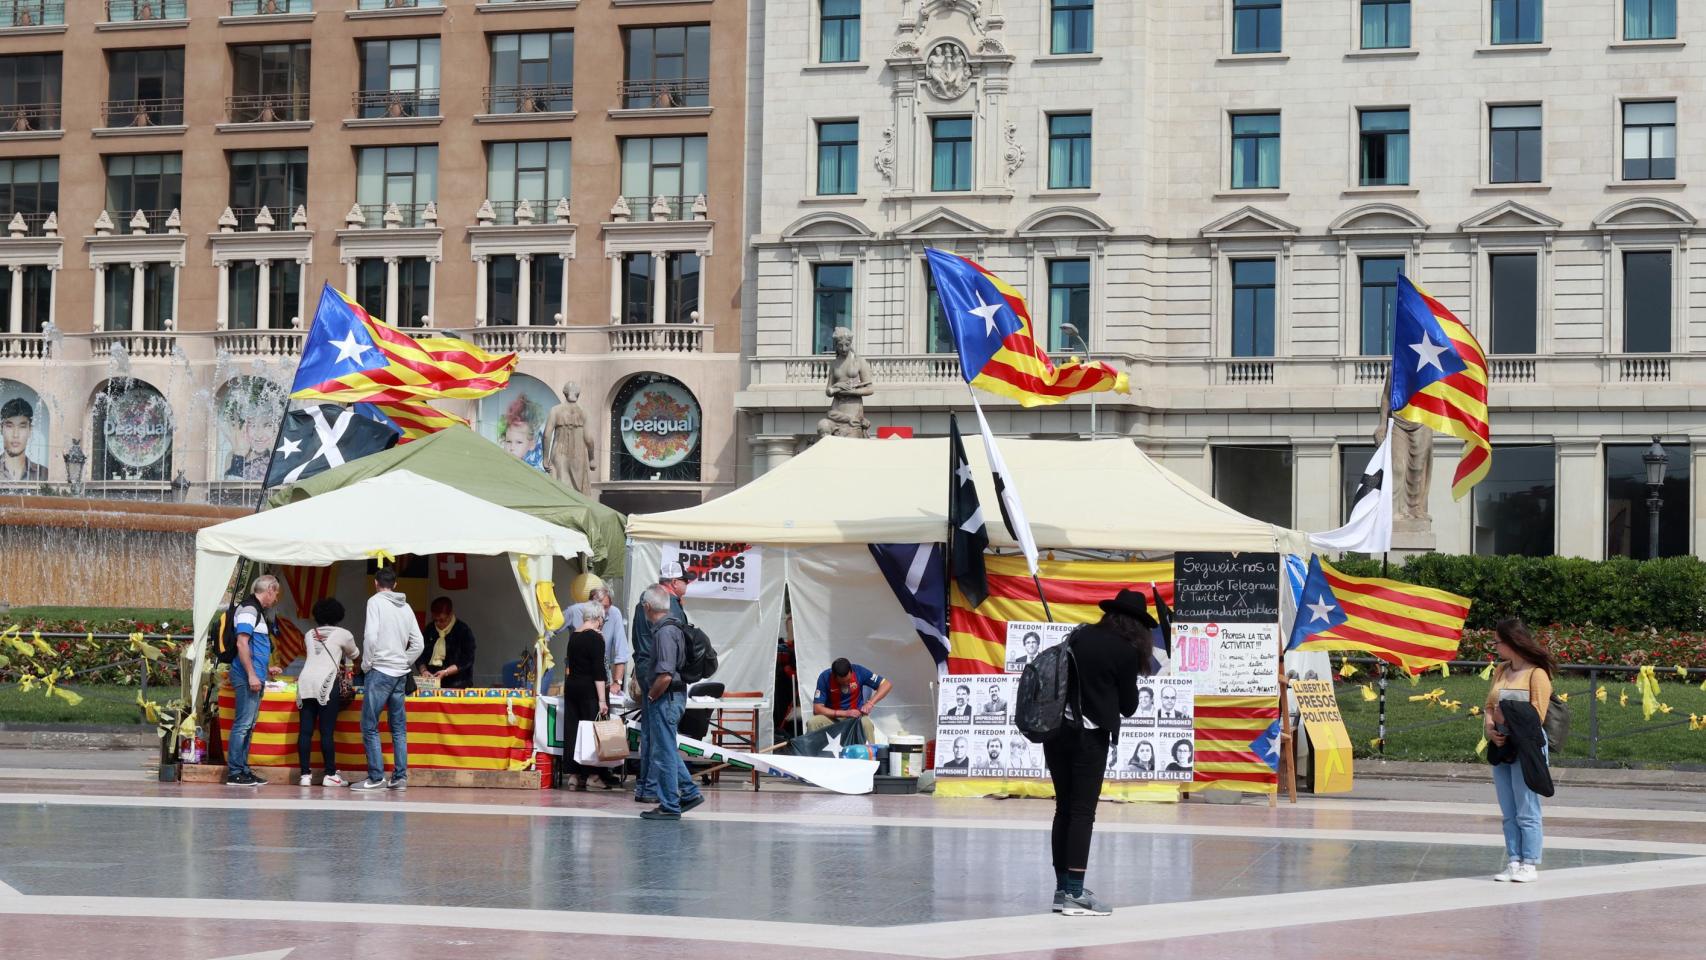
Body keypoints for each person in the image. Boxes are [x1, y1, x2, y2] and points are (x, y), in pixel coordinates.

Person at [1043, 588, 1151, 917]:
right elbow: (1130, 707)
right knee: (1082, 813)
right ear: (1137, 626)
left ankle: (1063, 890)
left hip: (1055, 731)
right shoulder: (1125, 652)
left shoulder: (1080, 635)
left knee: (1063, 809)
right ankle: (1076, 894)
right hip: (1089, 738)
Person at [1485, 617, 1556, 883]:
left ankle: (1530, 862)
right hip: (1501, 744)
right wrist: (1491, 728)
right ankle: (1513, 860)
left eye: (1498, 642)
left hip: (1526, 746)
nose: (1495, 646)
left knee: (1527, 808)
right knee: (1508, 810)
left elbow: (1536, 716)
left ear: (1512, 642)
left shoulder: (1537, 674)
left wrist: (1506, 720)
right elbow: (1489, 705)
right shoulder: (1501, 670)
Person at [637, 584, 704, 820]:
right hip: (672, 696)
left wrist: (652, 695)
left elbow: (665, 674)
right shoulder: (672, 627)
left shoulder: (664, 632)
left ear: (647, 606)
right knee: (666, 749)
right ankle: (689, 792)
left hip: (666, 697)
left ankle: (670, 805)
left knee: (663, 753)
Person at [353, 567, 424, 792]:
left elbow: (371, 636)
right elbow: (419, 643)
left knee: (370, 725)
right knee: (398, 728)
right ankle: (399, 777)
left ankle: (375, 778)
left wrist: (366, 664)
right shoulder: (407, 607)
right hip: (401, 674)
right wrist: (404, 660)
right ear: (396, 584)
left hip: (380, 671)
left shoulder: (375, 602)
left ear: (375, 583)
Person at [630, 563, 689, 805]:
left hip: (645, 671)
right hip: (663, 676)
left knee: (651, 734)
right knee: (662, 738)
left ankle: (646, 786)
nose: (687, 584)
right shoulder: (671, 606)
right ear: (674, 582)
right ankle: (660, 788)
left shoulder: (643, 603)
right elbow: (676, 644)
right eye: (685, 580)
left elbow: (636, 640)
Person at [226, 574, 283, 787]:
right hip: (246, 675)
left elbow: (252, 647)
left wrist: (265, 668)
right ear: (269, 590)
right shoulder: (249, 611)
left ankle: (243, 769)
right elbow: (242, 643)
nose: (276, 598)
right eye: (275, 593)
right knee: (243, 724)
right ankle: (235, 772)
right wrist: (251, 674)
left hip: (255, 674)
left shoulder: (255, 611)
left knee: (248, 725)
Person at [297, 597, 358, 787]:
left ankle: (305, 775)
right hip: (327, 682)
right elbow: (355, 656)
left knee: (305, 731)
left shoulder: (309, 633)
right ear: (338, 615)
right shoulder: (343, 634)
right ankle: (330, 774)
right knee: (326, 731)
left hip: (305, 681)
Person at [562, 601, 620, 791]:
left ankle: (574, 775)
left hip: (572, 687)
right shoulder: (595, 639)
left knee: (573, 729)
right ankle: (593, 775)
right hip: (589, 690)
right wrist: (602, 700)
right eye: (602, 619)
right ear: (598, 618)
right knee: (593, 730)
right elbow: (598, 671)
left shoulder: (574, 636)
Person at [811, 657, 892, 737]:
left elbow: (886, 684)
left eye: (848, 680)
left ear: (851, 671)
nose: (846, 683)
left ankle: (869, 749)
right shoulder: (825, 677)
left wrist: (870, 703)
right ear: (834, 676)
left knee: (866, 724)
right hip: (833, 718)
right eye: (842, 682)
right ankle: (811, 750)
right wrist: (845, 713)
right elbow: (817, 709)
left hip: (856, 719)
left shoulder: (859, 671)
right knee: (813, 722)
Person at [570, 586, 630, 694]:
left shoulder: (614, 614)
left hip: (599, 679)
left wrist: (617, 683)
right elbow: (550, 629)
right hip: (581, 678)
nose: (601, 612)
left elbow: (621, 651)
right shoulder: (574, 611)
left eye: (605, 607)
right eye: (598, 607)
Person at [416, 597, 475, 689]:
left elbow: (468, 659)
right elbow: (419, 654)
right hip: (431, 684)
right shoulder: (429, 630)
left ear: (451, 614)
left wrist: (446, 672)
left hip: (458, 684)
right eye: (435, 620)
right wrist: (423, 671)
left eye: (442, 620)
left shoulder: (463, 630)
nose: (438, 623)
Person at [1, 396, 48, 483]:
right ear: (1, 429)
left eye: (22, 427)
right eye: (9, 426)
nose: (15, 435)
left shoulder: (43, 474)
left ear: (30, 430)